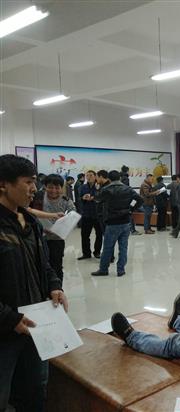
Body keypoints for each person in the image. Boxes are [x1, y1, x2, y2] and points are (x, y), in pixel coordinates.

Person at [0, 154, 69, 412]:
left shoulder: (31, 222)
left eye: (34, 182)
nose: (34, 189)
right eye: (28, 182)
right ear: (3, 184)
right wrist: (9, 318)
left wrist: (54, 285)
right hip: (6, 329)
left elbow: (44, 264)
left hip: (36, 323)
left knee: (36, 388)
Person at [91, 170, 143, 277]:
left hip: (112, 222)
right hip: (126, 222)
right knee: (123, 248)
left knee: (107, 248)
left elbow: (97, 199)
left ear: (109, 179)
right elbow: (140, 200)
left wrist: (97, 189)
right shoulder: (128, 189)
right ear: (119, 178)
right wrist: (131, 209)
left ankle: (103, 269)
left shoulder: (106, 189)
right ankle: (121, 270)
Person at [31, 174, 76, 285]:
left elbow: (73, 216)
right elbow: (29, 212)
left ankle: (57, 288)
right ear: (45, 186)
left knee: (56, 266)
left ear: (61, 188)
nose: (53, 190)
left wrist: (63, 226)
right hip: (38, 238)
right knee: (39, 265)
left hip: (56, 239)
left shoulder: (66, 201)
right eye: (50, 187)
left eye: (57, 187)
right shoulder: (37, 197)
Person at [78, 170, 103, 259]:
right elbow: (80, 198)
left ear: (95, 176)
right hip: (86, 214)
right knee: (84, 235)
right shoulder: (83, 187)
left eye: (91, 175)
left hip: (98, 214)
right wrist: (83, 198)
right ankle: (86, 253)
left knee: (99, 234)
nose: (89, 177)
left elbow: (102, 198)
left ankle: (97, 252)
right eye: (87, 175)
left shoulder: (99, 186)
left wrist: (94, 197)